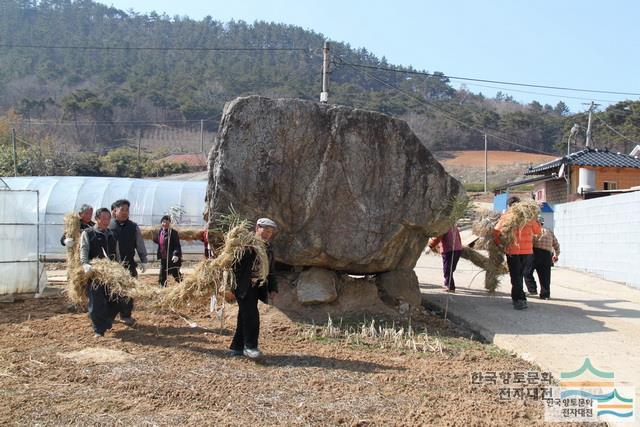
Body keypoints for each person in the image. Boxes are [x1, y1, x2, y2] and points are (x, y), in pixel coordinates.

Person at [229, 217, 279, 359]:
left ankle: (237, 347)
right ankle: (250, 347)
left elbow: (271, 269)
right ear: (257, 228)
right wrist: (230, 288)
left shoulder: (268, 248)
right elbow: (233, 267)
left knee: (244, 316)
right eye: (265, 230)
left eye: (270, 232)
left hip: (257, 287)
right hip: (244, 287)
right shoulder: (246, 244)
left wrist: (273, 288)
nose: (267, 234)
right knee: (252, 316)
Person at [80, 208, 129, 337]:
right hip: (95, 273)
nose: (107, 221)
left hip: (111, 274)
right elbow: (84, 250)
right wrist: (85, 264)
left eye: (108, 218)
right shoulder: (88, 233)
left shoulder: (112, 234)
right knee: (96, 302)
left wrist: (119, 268)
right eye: (104, 218)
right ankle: (98, 330)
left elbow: (117, 253)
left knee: (118, 299)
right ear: (96, 219)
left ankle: (107, 321)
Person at [493, 196, 542, 310]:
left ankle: (519, 299)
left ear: (509, 206)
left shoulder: (506, 217)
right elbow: (538, 231)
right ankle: (518, 297)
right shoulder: (529, 216)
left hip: (512, 251)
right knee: (520, 275)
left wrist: (500, 244)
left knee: (516, 276)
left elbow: (495, 232)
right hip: (527, 251)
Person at [108, 199, 148, 326]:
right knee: (111, 290)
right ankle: (110, 315)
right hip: (111, 266)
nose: (125, 212)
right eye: (122, 209)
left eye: (127, 210)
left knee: (129, 291)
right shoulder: (108, 226)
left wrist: (144, 260)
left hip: (129, 264)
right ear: (114, 211)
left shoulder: (133, 227)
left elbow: (139, 244)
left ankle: (126, 315)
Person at [524, 216, 560, 300]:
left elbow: (530, 241)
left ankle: (532, 289)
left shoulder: (533, 231)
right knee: (545, 276)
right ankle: (545, 295)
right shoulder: (549, 231)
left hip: (535, 253)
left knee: (527, 272)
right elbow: (556, 244)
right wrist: (556, 254)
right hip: (547, 255)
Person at [428, 225, 462, 293]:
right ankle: (447, 283)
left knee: (447, 269)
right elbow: (459, 238)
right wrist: (460, 247)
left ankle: (450, 287)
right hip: (457, 250)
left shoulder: (444, 227)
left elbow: (438, 238)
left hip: (449, 250)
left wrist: (430, 246)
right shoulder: (454, 227)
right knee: (451, 269)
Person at [152, 215, 182, 287]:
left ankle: (183, 285)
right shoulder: (160, 232)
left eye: (167, 222)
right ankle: (162, 287)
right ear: (161, 222)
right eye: (163, 222)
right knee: (162, 273)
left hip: (171, 258)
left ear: (170, 223)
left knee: (175, 273)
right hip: (163, 257)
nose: (165, 224)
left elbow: (177, 245)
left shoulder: (173, 233)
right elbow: (158, 241)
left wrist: (176, 254)